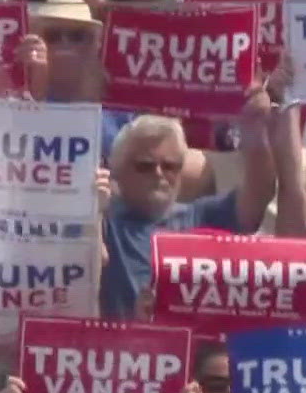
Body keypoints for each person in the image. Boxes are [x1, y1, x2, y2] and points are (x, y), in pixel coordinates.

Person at [98, 110, 279, 317]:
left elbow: (259, 194)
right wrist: (92, 208)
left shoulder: (200, 216)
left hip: (188, 343)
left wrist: (254, 131)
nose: (159, 173)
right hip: (122, 343)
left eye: (170, 166)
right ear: (118, 171)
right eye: (145, 166)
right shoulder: (103, 219)